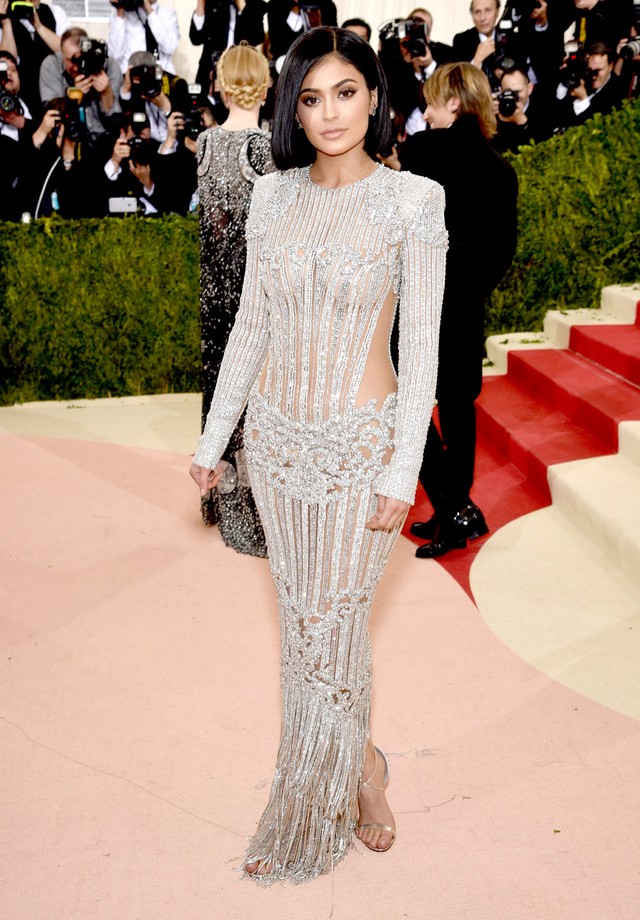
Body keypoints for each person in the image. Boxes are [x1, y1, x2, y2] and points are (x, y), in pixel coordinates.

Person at [189, 26, 447, 881]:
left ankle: (317, 792)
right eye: (310, 96)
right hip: (278, 448)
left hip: (362, 448)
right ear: (290, 107)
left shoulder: (415, 203)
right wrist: (214, 438)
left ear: (374, 97)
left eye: (345, 92)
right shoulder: (273, 198)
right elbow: (251, 327)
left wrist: (402, 469)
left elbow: (423, 351)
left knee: (330, 628)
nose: (329, 112)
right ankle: (362, 766)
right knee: (308, 635)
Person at [400, 62, 517, 558]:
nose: (425, 113)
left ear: (453, 101)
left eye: (431, 102)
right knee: (457, 406)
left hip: (424, 300)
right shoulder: (500, 166)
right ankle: (458, 510)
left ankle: (452, 507)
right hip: (467, 304)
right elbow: (502, 251)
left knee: (402, 404)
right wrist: (471, 290)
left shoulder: (423, 151)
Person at [197, 41, 274, 555]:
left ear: (221, 86)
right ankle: (250, 514)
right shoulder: (264, 150)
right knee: (253, 394)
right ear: (267, 87)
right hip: (254, 292)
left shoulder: (203, 143)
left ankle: (217, 499)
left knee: (220, 386)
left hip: (210, 292)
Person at [189, 0, 267, 89]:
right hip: (210, 72)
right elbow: (196, 38)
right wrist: (201, 3)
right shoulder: (214, 4)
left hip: (242, 72)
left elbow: (256, 38)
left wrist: (242, 6)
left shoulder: (255, 5)